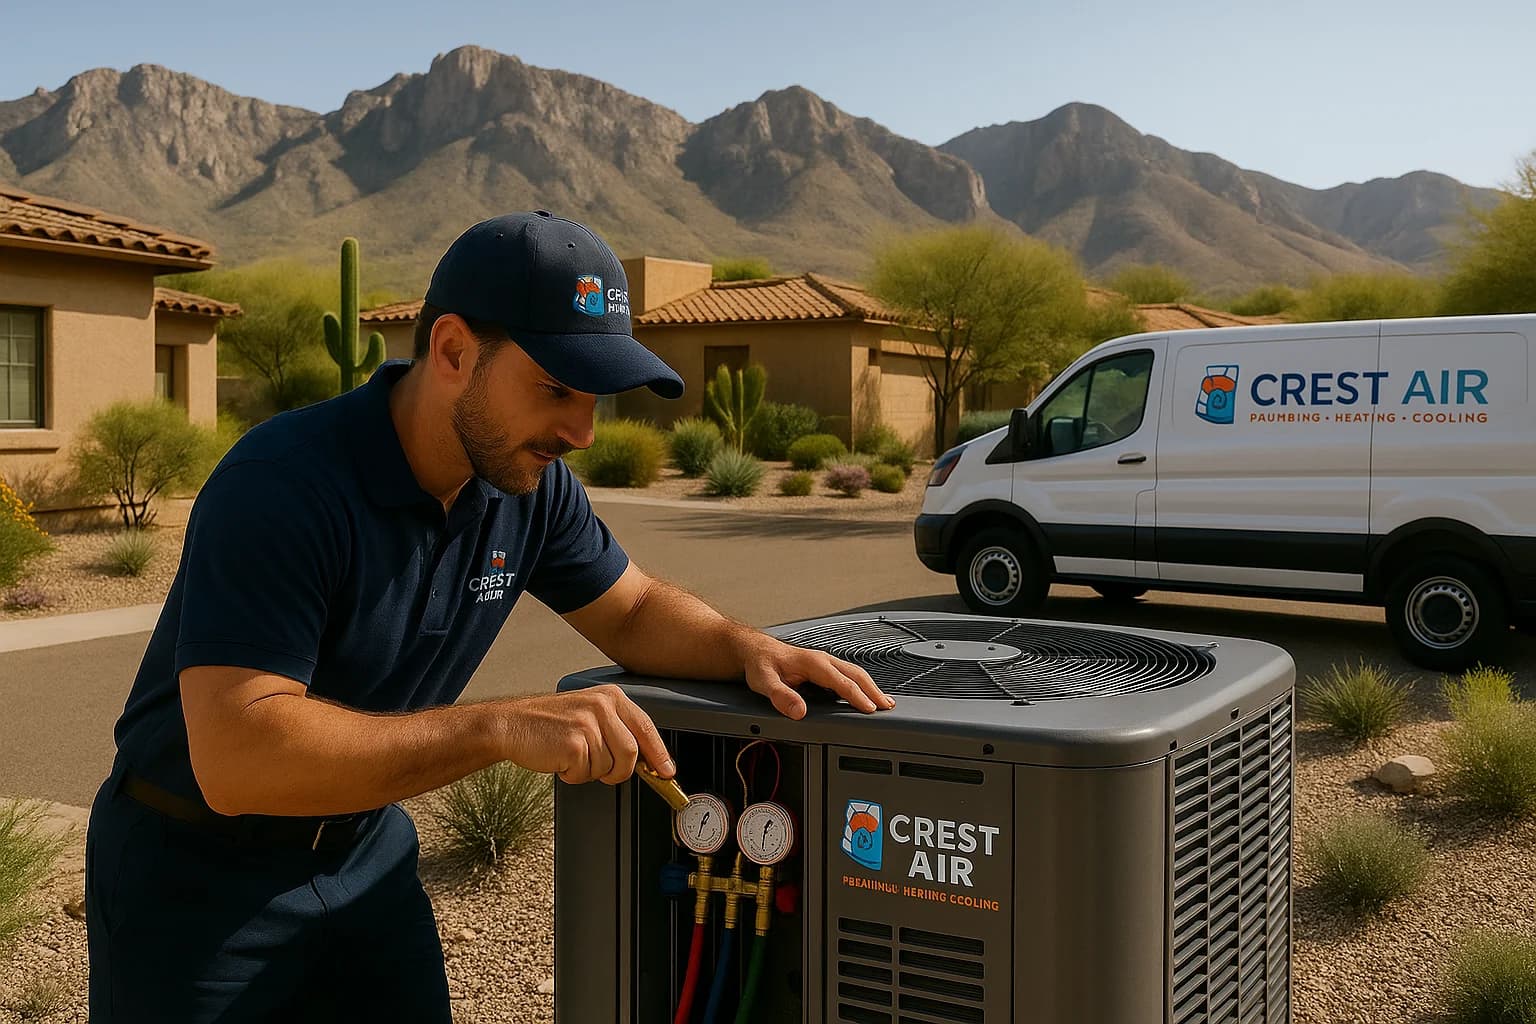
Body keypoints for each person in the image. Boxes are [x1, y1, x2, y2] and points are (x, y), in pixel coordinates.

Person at [84, 210, 894, 1023]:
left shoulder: (528, 486)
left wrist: (743, 647)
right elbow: (238, 756)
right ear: (451, 352)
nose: (580, 431)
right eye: (554, 388)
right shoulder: (283, 485)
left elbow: (635, 608)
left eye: (595, 399)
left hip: (367, 860)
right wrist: (498, 729)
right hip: (195, 881)